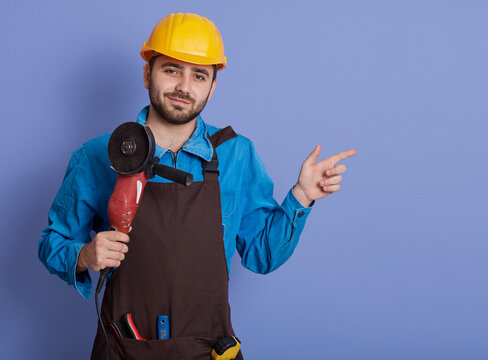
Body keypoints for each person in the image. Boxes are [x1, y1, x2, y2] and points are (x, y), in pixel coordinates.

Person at [38, 12, 356, 359]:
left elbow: (262, 255)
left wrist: (302, 196)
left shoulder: (237, 155)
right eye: (171, 69)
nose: (183, 87)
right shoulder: (100, 154)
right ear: (147, 73)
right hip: (124, 349)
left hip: (210, 351)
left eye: (199, 75)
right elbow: (51, 242)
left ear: (212, 85)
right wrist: (84, 255)